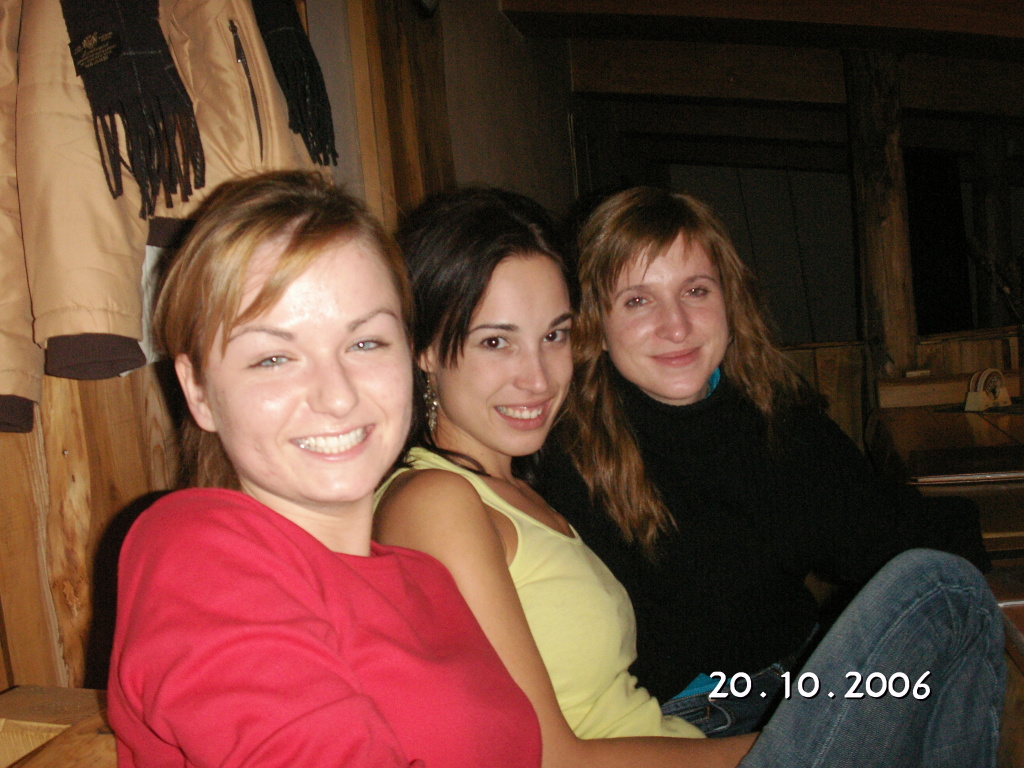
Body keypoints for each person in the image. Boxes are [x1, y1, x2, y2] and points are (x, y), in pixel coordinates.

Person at [374, 186, 1006, 768]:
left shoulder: (516, 477)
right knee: (942, 592)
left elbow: (878, 530)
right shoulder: (524, 465)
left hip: (788, 683)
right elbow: (546, 751)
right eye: (495, 342)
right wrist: (793, 741)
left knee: (945, 615)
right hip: (711, 717)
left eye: (553, 335)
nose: (536, 378)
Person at [106, 171, 542, 768]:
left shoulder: (427, 580)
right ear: (199, 391)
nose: (337, 396)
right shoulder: (193, 553)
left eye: (365, 344)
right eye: (274, 358)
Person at [536, 185, 995, 737]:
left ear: (729, 300)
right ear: (596, 324)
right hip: (689, 715)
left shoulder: (773, 407)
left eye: (696, 291)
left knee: (955, 620)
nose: (676, 325)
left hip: (807, 677)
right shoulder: (567, 449)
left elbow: (880, 533)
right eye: (638, 300)